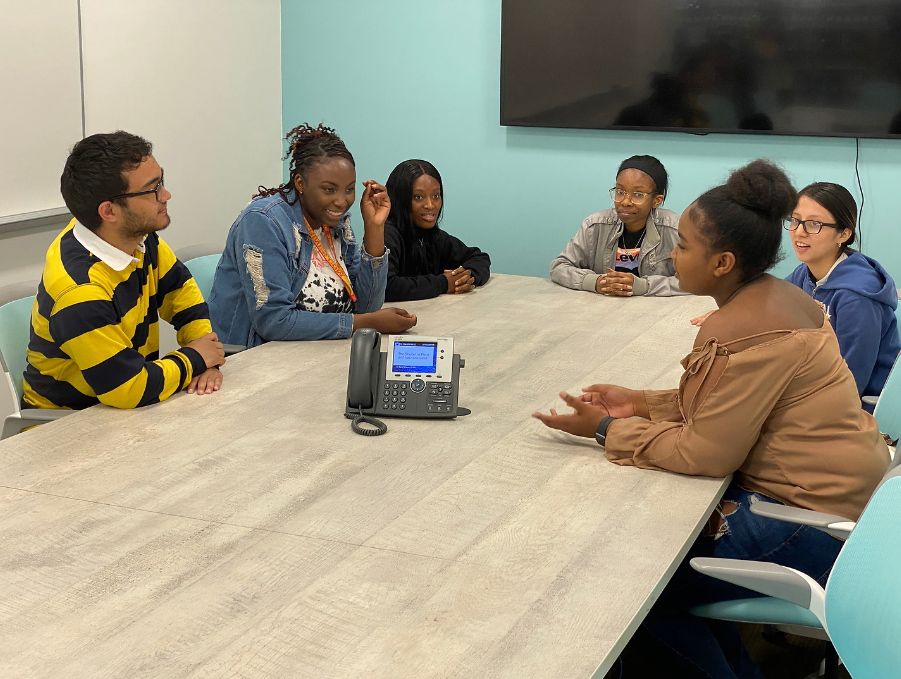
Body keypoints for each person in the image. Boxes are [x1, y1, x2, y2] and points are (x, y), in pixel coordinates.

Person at [534, 160, 889, 677]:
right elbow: (731, 403)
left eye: (682, 247)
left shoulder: (739, 329)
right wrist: (640, 402)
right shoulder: (782, 295)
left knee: (622, 588)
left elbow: (704, 451)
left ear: (722, 262)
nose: (674, 256)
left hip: (809, 522)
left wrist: (606, 429)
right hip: (847, 505)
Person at [22, 131, 225, 410]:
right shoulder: (80, 292)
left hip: (124, 410)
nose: (166, 195)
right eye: (153, 189)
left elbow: (181, 296)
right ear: (109, 212)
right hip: (68, 427)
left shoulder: (136, 237)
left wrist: (205, 356)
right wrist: (196, 358)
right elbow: (129, 389)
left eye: (161, 181)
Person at [208, 123, 417, 346]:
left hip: (316, 353)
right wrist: (364, 324)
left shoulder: (336, 224)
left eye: (349, 189)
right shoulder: (263, 221)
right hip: (256, 359)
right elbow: (273, 321)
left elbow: (367, 307)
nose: (342, 201)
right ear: (300, 183)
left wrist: (374, 228)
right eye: (329, 189)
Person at [785, 182, 899, 407]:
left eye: (814, 224)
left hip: (864, 403)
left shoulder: (856, 297)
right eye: (795, 220)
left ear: (843, 234)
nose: (799, 232)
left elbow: (851, 379)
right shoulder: (806, 273)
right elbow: (771, 303)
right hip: (817, 380)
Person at [549, 155, 683, 296]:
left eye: (637, 194)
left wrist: (645, 286)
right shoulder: (595, 225)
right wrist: (595, 282)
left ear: (657, 200)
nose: (625, 201)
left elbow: (696, 280)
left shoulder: (675, 229)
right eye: (620, 192)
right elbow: (559, 267)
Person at [383, 159, 491, 301]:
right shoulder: (387, 234)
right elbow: (387, 287)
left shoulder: (434, 236)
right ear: (400, 199)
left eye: (436, 196)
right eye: (418, 197)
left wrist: (468, 277)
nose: (430, 205)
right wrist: (444, 283)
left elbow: (479, 257)